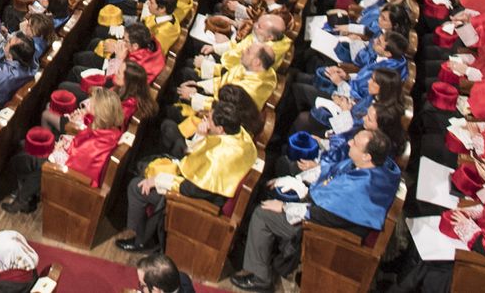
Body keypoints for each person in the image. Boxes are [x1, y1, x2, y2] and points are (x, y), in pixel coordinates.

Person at [232, 129, 402, 292]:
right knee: (278, 184)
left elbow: (326, 215)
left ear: (366, 156)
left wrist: (284, 207)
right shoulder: (373, 168)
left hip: (327, 235)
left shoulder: (361, 188)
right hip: (324, 214)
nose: (349, 142)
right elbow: (333, 173)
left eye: (355, 143)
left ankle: (260, 278)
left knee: (263, 214)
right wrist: (297, 180)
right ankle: (258, 247)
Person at [120, 100, 258, 252]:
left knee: (136, 186)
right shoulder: (241, 136)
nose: (205, 120)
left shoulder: (219, 156)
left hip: (200, 203)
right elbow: (200, 158)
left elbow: (191, 189)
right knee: (149, 166)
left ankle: (139, 240)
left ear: (220, 129)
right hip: (206, 190)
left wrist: (157, 181)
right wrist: (201, 135)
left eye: (209, 119)